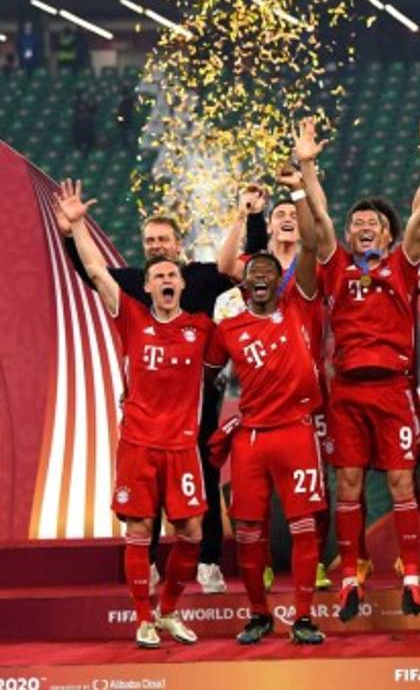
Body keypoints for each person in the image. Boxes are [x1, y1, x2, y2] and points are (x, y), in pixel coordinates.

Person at [57, 189, 247, 597]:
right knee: (144, 509)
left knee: (200, 496)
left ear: (179, 249)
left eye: (163, 241)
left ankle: (207, 563)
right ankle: (148, 579)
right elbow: (93, 271)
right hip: (144, 425)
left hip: (193, 413)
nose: (157, 248)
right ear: (146, 281)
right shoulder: (131, 296)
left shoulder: (201, 293)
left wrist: (245, 216)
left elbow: (233, 274)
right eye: (150, 242)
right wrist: (74, 228)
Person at [313, 121, 420, 622]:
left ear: (386, 234)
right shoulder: (336, 267)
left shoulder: (403, 266)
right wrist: (307, 168)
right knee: (347, 482)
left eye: (373, 222)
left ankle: (411, 576)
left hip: (392, 391)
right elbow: (319, 219)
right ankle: (350, 577)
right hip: (346, 392)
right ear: (350, 234)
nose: (364, 226)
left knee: (401, 483)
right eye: (357, 222)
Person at [202, 166, 328, 645]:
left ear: (280, 280)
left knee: (303, 527)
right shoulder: (228, 330)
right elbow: (205, 376)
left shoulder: (299, 305)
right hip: (251, 438)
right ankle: (258, 613)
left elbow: (311, 244)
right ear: (243, 283)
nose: (259, 277)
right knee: (248, 530)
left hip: (296, 431)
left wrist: (297, 190)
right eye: (252, 273)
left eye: (267, 272)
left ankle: (303, 617)